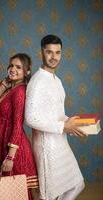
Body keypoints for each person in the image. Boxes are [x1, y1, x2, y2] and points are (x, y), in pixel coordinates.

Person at [25, 35, 87, 200]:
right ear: (41, 53)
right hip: (47, 148)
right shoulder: (37, 81)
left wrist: (74, 124)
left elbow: (57, 113)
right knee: (50, 195)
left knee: (77, 184)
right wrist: (63, 127)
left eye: (57, 52)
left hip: (61, 142)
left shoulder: (57, 81)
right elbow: (30, 118)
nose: (54, 57)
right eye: (49, 52)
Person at [0, 53, 38, 200]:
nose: (13, 69)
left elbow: (17, 124)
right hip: (3, 143)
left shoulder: (20, 92)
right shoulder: (11, 90)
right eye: (11, 65)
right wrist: (2, 87)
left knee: (16, 193)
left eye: (18, 67)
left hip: (14, 148)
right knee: (9, 194)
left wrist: (10, 157)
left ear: (27, 72)